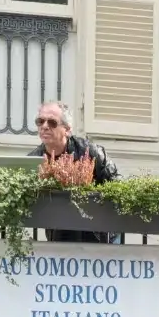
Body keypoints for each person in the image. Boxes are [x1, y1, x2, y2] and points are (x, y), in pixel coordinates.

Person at [30, 101, 120, 243]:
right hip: (59, 239)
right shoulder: (34, 159)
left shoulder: (91, 152)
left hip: (99, 238)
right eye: (40, 121)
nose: (44, 126)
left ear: (67, 129)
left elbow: (117, 184)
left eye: (52, 122)